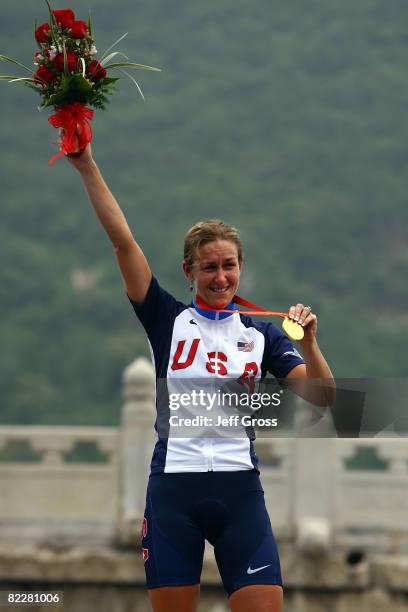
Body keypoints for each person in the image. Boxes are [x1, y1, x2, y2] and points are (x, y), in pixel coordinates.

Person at [68, 144, 334, 612]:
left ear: (241, 269)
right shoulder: (165, 319)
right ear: (188, 272)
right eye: (209, 266)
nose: (220, 276)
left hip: (240, 490)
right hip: (174, 490)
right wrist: (86, 163)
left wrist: (310, 343)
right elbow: (123, 243)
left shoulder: (263, 334)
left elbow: (324, 398)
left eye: (229, 265)